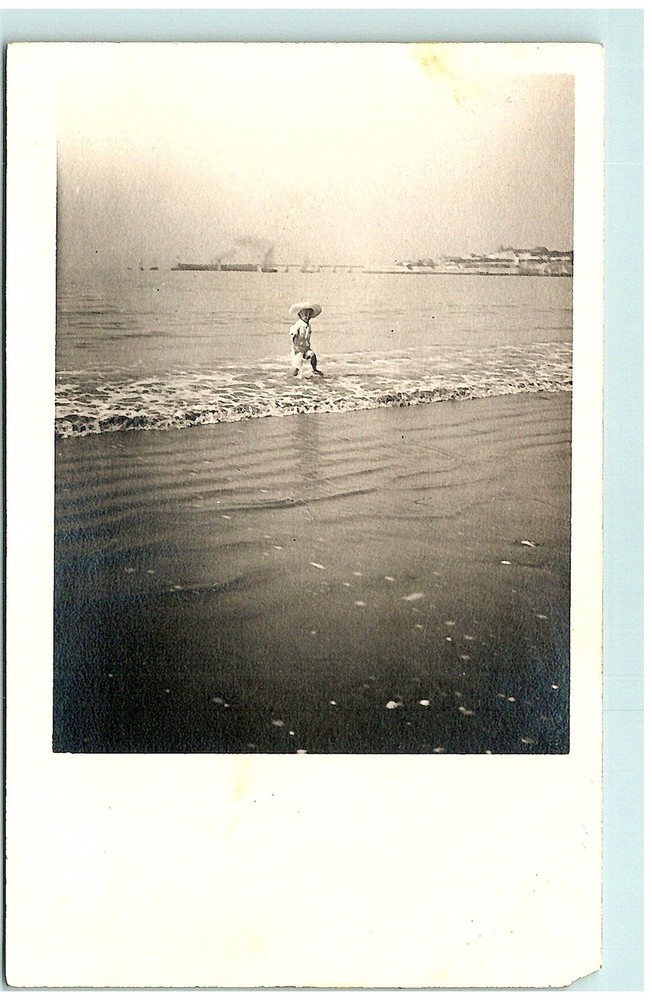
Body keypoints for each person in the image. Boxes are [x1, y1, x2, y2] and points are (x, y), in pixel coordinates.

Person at [288, 301, 323, 376]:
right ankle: (293, 378)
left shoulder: (308, 325)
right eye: (305, 314)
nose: (307, 316)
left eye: (309, 314)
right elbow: (293, 336)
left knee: (313, 355)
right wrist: (295, 346)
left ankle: (314, 369)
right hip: (298, 349)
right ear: (299, 315)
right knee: (297, 367)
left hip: (306, 348)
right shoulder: (297, 325)